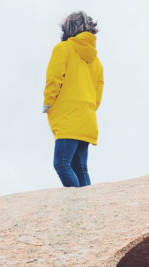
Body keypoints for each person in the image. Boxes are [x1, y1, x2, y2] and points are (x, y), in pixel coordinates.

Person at [43, 11, 104, 187]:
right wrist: (89, 108)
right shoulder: (96, 61)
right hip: (87, 116)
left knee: (61, 164)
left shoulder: (63, 49)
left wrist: (48, 103)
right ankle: (89, 205)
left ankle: (80, 207)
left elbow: (54, 79)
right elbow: (98, 91)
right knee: (81, 168)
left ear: (68, 28)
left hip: (68, 115)